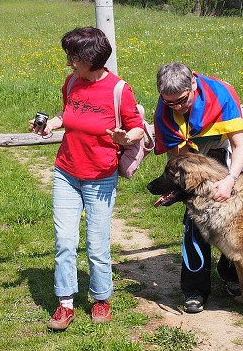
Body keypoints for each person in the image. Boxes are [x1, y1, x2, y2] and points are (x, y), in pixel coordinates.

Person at [30, 27, 145, 331]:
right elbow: (67, 115)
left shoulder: (119, 89)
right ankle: (65, 304)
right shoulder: (71, 83)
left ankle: (101, 298)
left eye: (73, 57)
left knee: (96, 245)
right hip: (66, 172)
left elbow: (137, 129)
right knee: (64, 242)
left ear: (90, 58)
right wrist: (49, 126)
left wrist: (124, 137)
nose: (69, 63)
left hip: (100, 177)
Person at [153, 62, 243, 314]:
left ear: (193, 86)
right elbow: (179, 156)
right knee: (195, 218)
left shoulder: (221, 95)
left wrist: (230, 180)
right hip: (192, 154)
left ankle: (231, 272)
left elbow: (241, 146)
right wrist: (187, 191)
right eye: (169, 102)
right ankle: (195, 289)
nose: (175, 106)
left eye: (181, 101)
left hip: (227, 152)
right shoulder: (166, 106)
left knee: (233, 215)